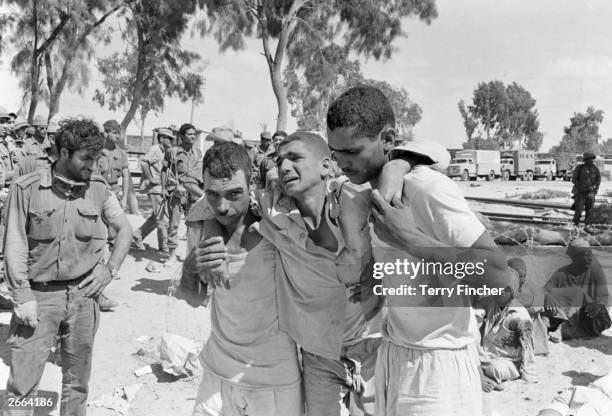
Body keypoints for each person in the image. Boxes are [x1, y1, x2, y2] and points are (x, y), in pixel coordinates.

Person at [326, 85, 513, 416]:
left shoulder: (427, 188)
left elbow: (499, 279)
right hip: (394, 355)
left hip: (439, 367)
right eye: (336, 152)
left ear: (387, 138)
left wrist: (411, 240)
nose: (342, 163)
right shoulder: (365, 192)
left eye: (352, 152)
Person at [1, 118, 132, 416]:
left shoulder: (98, 189)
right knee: (22, 388)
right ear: (62, 153)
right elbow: (15, 245)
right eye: (86, 158)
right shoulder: (27, 189)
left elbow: (124, 230)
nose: (93, 166)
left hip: (84, 298)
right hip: (39, 298)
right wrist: (22, 297)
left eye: (96, 158)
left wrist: (109, 269)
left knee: (77, 385)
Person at [181, 142, 302, 416]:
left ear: (253, 184)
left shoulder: (278, 224)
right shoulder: (202, 227)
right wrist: (190, 267)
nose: (222, 207)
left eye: (235, 193)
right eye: (212, 194)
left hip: (272, 381)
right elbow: (193, 298)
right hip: (217, 374)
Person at [476, 258, 538, 392]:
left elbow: (527, 348)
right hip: (486, 355)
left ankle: (484, 377)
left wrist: (528, 374)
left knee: (495, 369)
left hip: (507, 361)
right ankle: (481, 375)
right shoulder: (488, 303)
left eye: (505, 289)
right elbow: (475, 325)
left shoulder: (520, 316)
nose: (499, 292)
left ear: (513, 291)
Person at [543, 238, 610, 341]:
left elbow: (604, 297)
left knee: (578, 292)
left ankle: (564, 330)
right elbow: (544, 290)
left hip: (591, 316)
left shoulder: (595, 271)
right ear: (575, 258)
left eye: (590, 254)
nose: (590, 258)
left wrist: (599, 305)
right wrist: (549, 296)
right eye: (585, 255)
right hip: (568, 317)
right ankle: (553, 328)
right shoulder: (562, 273)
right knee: (550, 298)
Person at [162, 123, 203, 266]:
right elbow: (164, 170)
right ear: (181, 136)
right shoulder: (172, 152)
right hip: (176, 192)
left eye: (194, 134)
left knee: (192, 226)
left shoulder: (198, 153)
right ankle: (171, 255)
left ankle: (189, 255)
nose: (193, 136)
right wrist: (164, 188)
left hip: (192, 193)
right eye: (189, 134)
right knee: (173, 224)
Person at [132, 128, 174, 252]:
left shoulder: (164, 151)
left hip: (161, 187)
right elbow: (144, 163)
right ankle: (164, 245)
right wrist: (151, 178)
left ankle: (138, 235)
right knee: (162, 217)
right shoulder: (155, 149)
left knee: (157, 216)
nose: (172, 141)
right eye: (169, 138)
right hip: (155, 188)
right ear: (161, 138)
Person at [96, 120, 130, 210]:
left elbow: (126, 176)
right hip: (97, 193)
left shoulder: (121, 153)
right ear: (105, 133)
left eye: (119, 133)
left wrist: (124, 198)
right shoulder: (96, 151)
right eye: (115, 133)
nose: (118, 136)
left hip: (114, 194)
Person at [572, 151, 601, 226]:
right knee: (578, 210)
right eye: (589, 159)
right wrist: (580, 187)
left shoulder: (595, 169)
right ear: (585, 160)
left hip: (591, 193)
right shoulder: (579, 168)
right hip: (581, 193)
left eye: (592, 159)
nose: (591, 161)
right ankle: (574, 226)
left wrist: (595, 189)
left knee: (590, 211)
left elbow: (598, 180)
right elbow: (574, 179)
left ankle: (587, 227)